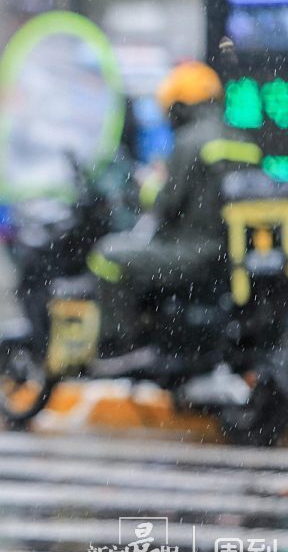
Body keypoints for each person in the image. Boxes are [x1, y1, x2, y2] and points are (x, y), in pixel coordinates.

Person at [88, 60, 261, 354]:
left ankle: (121, 346)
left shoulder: (189, 142)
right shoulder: (244, 141)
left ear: (180, 105)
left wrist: (145, 186)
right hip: (232, 262)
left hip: (191, 254)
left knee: (107, 256)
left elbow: (165, 205)